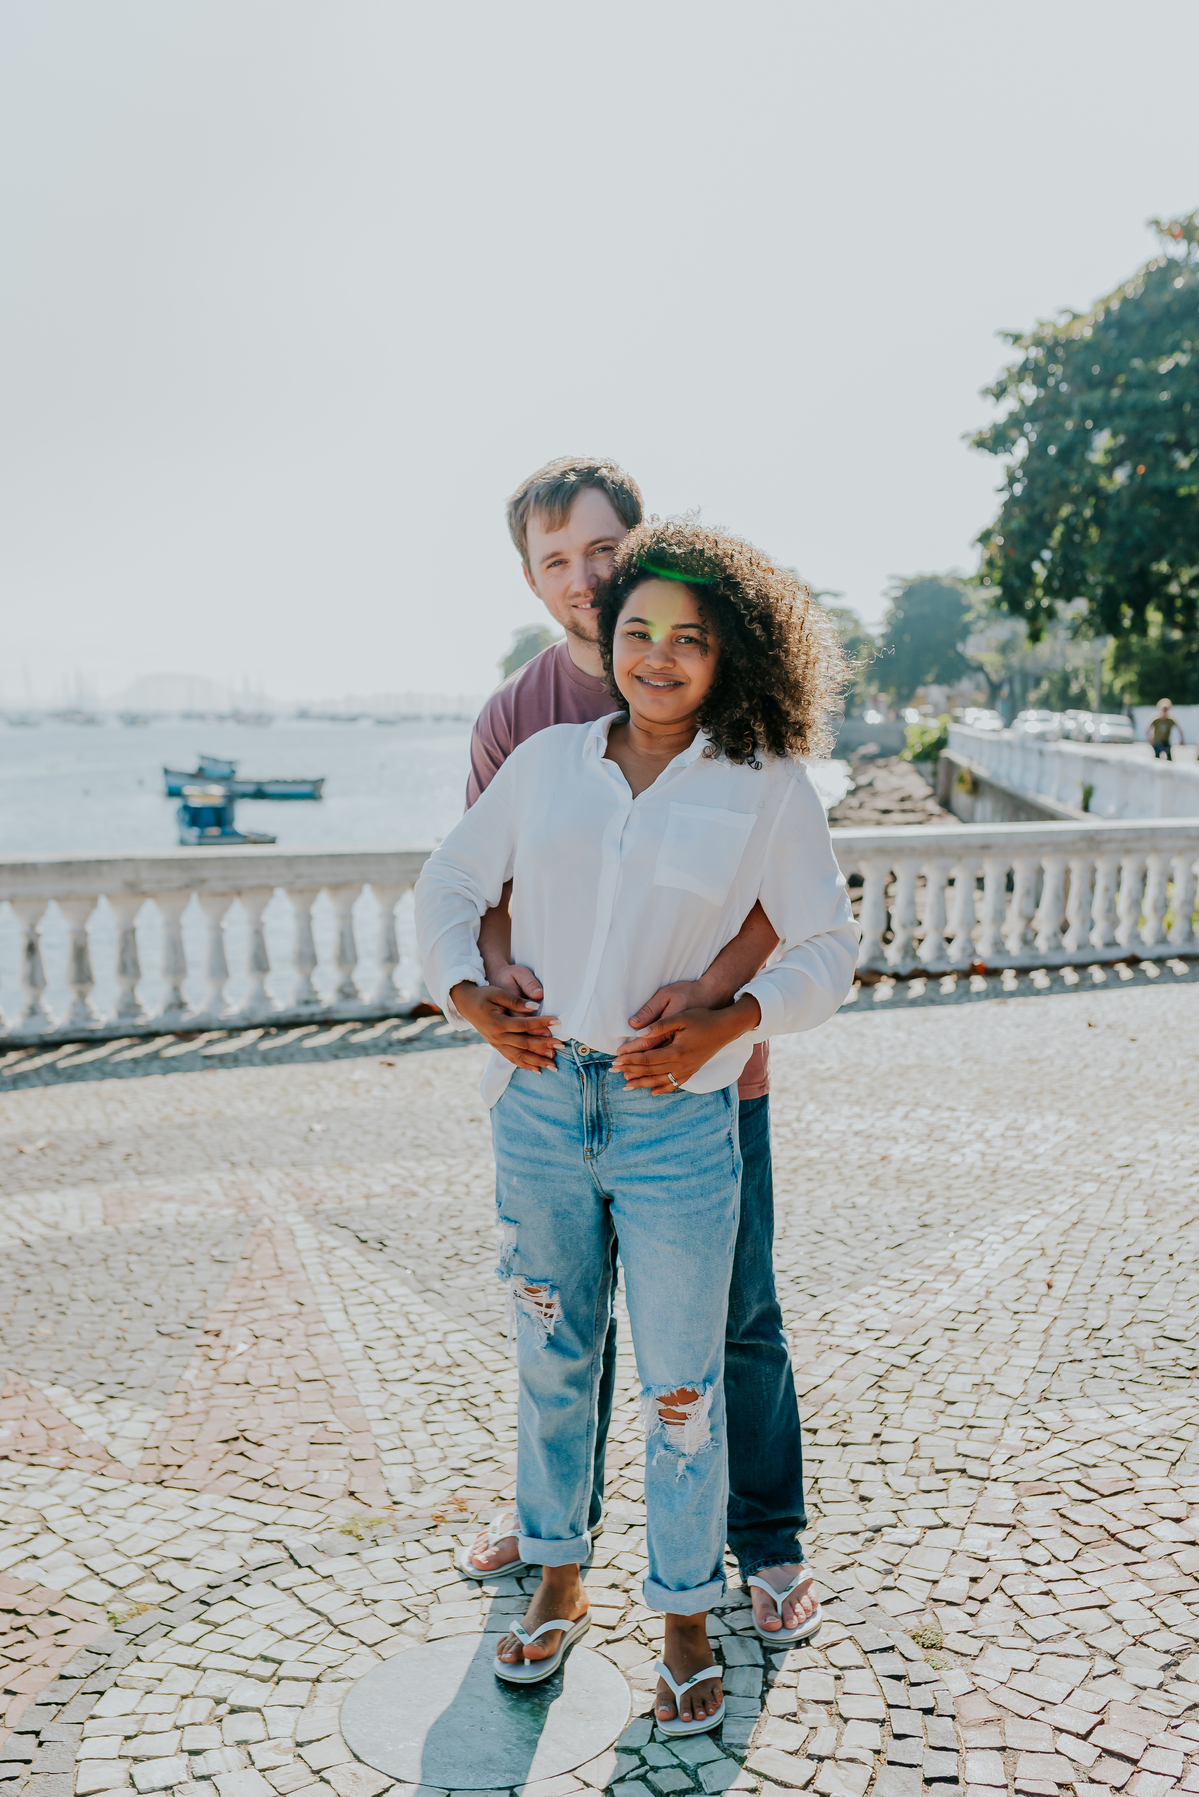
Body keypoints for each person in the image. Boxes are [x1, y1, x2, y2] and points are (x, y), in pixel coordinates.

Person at [415, 518, 857, 1731]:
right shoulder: (544, 762)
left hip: (677, 1123)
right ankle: (557, 1581)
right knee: (553, 1359)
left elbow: (827, 942)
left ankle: (684, 1617)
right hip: (539, 1107)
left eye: (690, 639)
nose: (659, 655)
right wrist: (468, 995)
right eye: (639, 631)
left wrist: (733, 1021)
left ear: (732, 654)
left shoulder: (765, 783)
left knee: (683, 1385)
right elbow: (450, 883)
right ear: (607, 640)